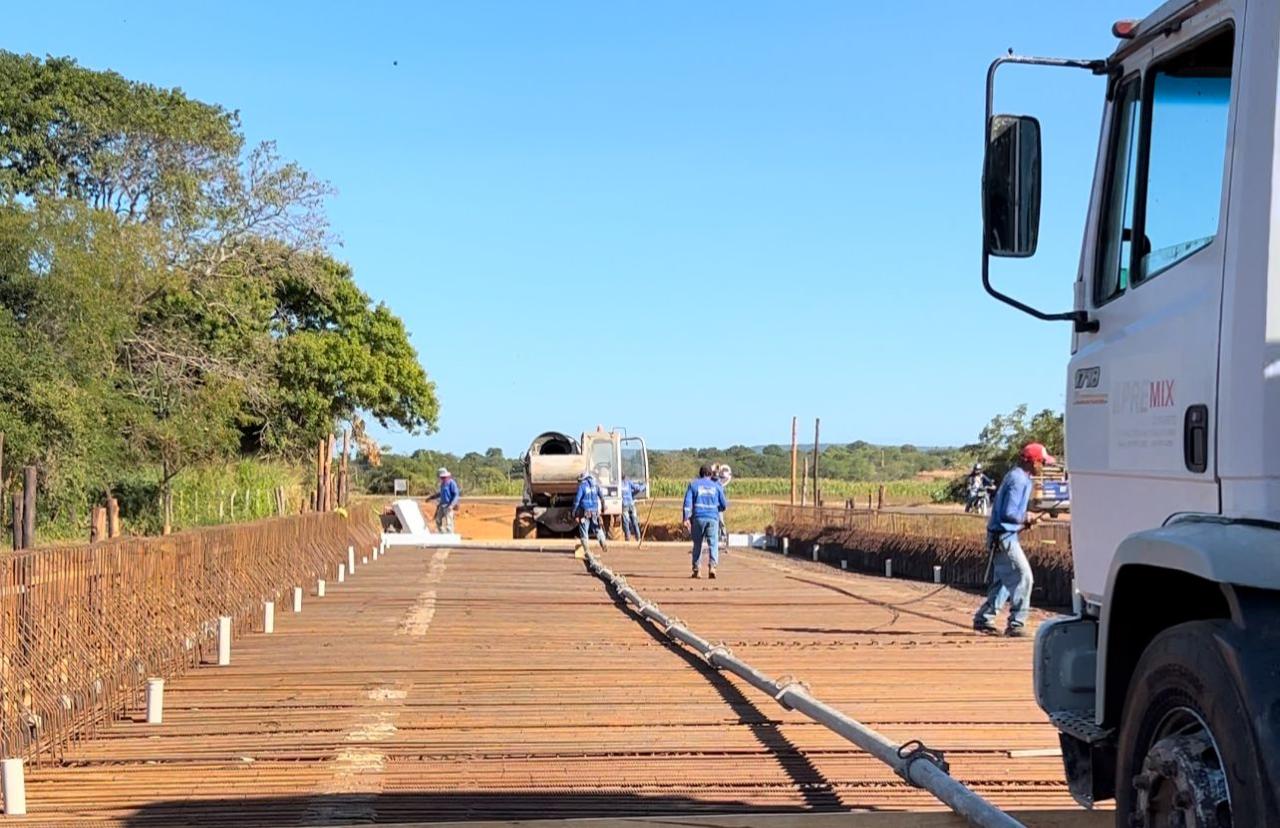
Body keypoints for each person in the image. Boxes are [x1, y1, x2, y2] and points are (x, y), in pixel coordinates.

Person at [973, 443, 1053, 637]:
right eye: (1042, 462)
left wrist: (1024, 517)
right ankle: (1016, 624)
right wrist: (1026, 518)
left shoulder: (1016, 476)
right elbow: (1009, 513)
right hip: (1004, 538)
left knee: (1003, 581)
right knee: (1024, 577)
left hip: (1002, 536)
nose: (1044, 465)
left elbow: (1010, 512)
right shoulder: (1019, 480)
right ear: (1033, 461)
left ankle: (984, 618)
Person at [683, 464, 729, 579]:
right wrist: (717, 509)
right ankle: (712, 567)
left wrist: (686, 518)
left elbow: (687, 503)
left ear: (700, 473)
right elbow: (724, 505)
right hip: (712, 518)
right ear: (710, 474)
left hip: (698, 517)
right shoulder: (717, 486)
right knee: (713, 543)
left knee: (697, 544)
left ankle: (697, 569)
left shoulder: (693, 485)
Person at [573, 470, 608, 557]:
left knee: (584, 531)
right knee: (598, 529)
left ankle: (587, 551)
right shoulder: (596, 485)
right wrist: (603, 507)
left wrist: (574, 512)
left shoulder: (582, 486)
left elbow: (577, 500)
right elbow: (602, 498)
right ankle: (603, 543)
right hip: (595, 512)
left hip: (584, 513)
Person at [424, 467, 460, 533]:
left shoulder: (452, 483)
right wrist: (431, 497)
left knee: (449, 522)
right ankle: (442, 533)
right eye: (441, 477)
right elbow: (441, 494)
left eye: (443, 477)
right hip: (442, 505)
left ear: (447, 476)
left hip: (449, 505)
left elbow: (456, 495)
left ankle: (450, 535)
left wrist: (452, 505)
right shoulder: (443, 484)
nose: (441, 478)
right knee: (438, 520)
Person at [621, 474, 646, 541]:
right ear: (625, 477)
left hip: (624, 505)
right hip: (631, 504)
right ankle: (638, 537)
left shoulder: (619, 484)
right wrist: (644, 486)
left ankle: (627, 537)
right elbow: (637, 488)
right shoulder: (628, 482)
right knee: (634, 521)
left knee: (626, 522)